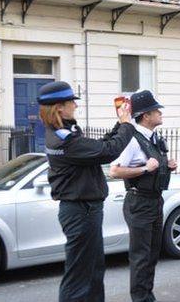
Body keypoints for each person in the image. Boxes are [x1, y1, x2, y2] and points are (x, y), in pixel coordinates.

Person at [38, 81, 135, 302]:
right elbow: (108, 151)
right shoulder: (64, 140)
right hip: (81, 211)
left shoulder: (65, 131)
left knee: (92, 272)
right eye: (71, 101)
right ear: (59, 107)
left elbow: (97, 148)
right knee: (80, 277)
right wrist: (126, 125)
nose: (75, 105)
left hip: (85, 210)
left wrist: (119, 124)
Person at [109, 90, 177, 302]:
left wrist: (166, 166)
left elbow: (153, 164)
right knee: (140, 257)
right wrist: (145, 169)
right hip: (139, 202)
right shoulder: (132, 139)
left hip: (155, 200)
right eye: (157, 110)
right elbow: (115, 170)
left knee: (152, 255)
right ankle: (140, 298)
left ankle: (147, 296)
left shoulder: (153, 137)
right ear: (146, 115)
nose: (160, 113)